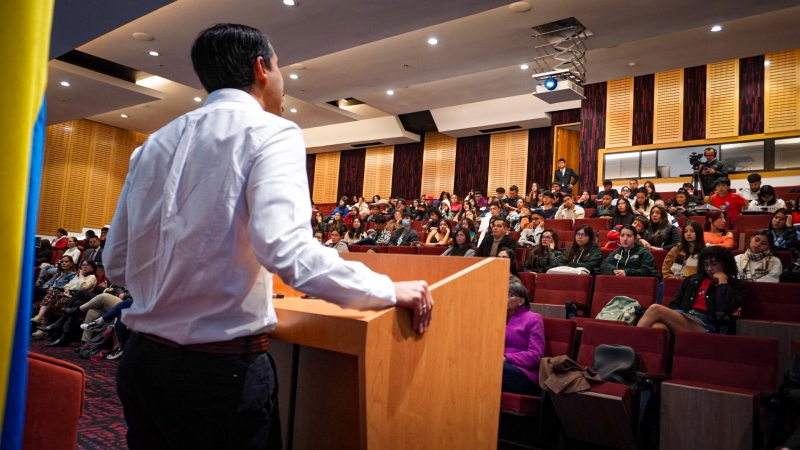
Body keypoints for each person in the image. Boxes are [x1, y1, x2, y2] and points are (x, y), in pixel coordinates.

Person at [105, 24, 432, 450]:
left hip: (142, 362)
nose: (281, 79)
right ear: (262, 68)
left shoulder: (150, 146)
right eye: (279, 67)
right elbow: (287, 250)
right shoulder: (272, 131)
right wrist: (387, 288)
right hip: (218, 377)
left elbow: (116, 262)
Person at [638, 246, 745, 335]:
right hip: (687, 317)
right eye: (706, 264)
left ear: (725, 264)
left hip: (708, 325)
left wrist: (722, 281)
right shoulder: (693, 280)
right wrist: (678, 314)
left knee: (655, 308)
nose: (709, 269)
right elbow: (675, 304)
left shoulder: (736, 284)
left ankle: (628, 345)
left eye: (714, 264)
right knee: (658, 327)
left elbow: (726, 308)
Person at [31, 260, 98, 340]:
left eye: (87, 265)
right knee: (51, 296)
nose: (84, 266)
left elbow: (82, 288)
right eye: (83, 265)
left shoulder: (92, 277)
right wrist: (68, 288)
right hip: (67, 295)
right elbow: (68, 285)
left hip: (76, 299)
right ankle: (42, 323)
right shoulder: (77, 276)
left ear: (92, 269)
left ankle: (42, 324)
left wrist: (80, 275)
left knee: (52, 298)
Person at [503, 278, 544, 395]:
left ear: (521, 301)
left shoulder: (533, 318)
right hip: (500, 366)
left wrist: (506, 358)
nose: (503, 297)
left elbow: (535, 356)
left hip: (524, 373)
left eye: (509, 294)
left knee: (492, 370)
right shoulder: (496, 318)